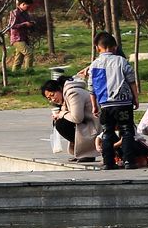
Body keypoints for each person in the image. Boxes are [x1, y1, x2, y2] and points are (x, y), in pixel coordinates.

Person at [84, 33, 140, 170]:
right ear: (115, 47)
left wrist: (95, 106)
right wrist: (135, 98)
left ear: (98, 48)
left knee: (107, 132)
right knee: (127, 131)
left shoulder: (94, 64)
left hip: (105, 104)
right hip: (123, 104)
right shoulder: (121, 61)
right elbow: (131, 81)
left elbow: (91, 87)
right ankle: (129, 161)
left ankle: (108, 162)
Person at [41, 76, 99, 163]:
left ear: (59, 88)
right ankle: (82, 152)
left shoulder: (73, 93)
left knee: (62, 124)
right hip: (87, 123)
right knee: (59, 121)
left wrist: (61, 114)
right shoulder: (66, 95)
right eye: (49, 99)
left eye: (52, 95)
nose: (53, 99)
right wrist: (59, 115)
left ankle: (87, 152)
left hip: (95, 124)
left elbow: (77, 118)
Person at [7, 0, 38, 81]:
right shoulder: (14, 13)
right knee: (29, 53)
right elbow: (12, 26)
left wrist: (31, 24)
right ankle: (28, 73)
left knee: (19, 59)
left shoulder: (26, 13)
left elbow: (27, 23)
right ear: (23, 4)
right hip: (17, 38)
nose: (28, 9)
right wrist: (24, 24)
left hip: (24, 38)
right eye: (27, 7)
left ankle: (14, 74)